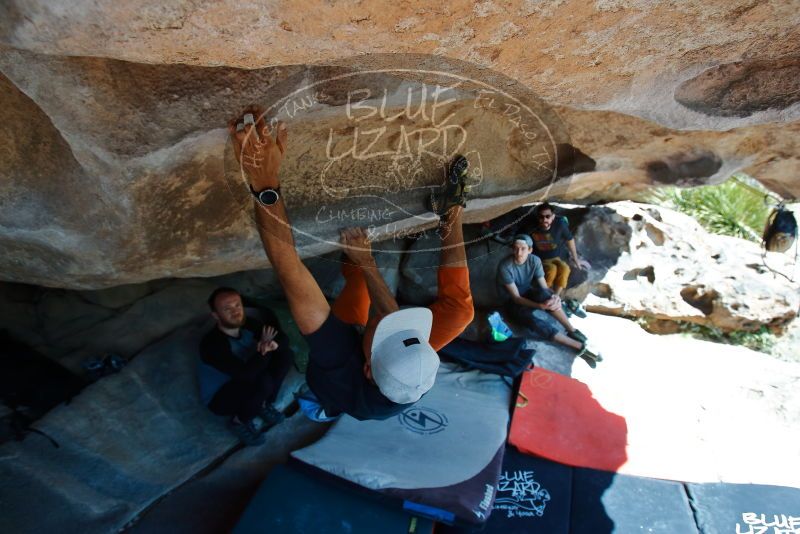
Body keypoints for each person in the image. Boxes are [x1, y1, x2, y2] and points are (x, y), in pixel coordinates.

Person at [227, 107, 474, 421]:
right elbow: (390, 316)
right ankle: (451, 210)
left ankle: (351, 260)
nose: (386, 319)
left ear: (367, 368)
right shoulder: (416, 375)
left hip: (337, 371)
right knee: (461, 312)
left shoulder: (337, 356)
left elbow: (288, 267)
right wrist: (367, 260)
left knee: (359, 287)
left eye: (382, 333)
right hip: (392, 362)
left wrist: (264, 182)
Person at [198, 287, 293, 446]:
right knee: (262, 380)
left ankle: (263, 404)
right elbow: (245, 374)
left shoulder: (248, 324)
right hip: (220, 397)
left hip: (248, 375)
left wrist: (273, 344)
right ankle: (239, 421)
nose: (236, 312)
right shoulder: (212, 344)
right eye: (227, 309)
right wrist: (264, 351)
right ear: (216, 315)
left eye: (237, 305)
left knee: (285, 355)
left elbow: (282, 339)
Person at [497, 235, 601, 368]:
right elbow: (516, 298)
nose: (519, 253)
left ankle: (572, 330)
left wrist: (555, 297)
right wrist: (539, 306)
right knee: (533, 322)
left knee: (546, 295)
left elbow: (544, 287)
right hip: (511, 302)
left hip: (527, 292)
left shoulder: (534, 260)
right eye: (516, 249)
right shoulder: (505, 267)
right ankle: (579, 347)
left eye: (523, 249)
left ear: (530, 250)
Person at [530, 202, 591, 298]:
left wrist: (576, 259)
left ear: (553, 217)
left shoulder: (559, 224)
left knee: (565, 269)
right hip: (542, 259)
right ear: (538, 217)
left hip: (557, 257)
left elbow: (570, 240)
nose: (544, 219)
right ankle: (544, 294)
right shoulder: (532, 227)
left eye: (547, 216)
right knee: (552, 270)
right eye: (541, 217)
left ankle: (556, 296)